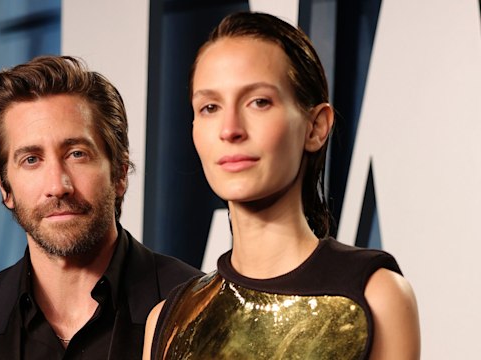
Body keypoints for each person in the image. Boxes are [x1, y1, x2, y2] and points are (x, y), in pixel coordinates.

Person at [144, 12, 420, 359]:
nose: (230, 129)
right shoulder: (168, 320)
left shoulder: (376, 295)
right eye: (210, 106)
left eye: (259, 102)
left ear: (316, 126)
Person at [0, 55, 201, 359]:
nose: (57, 186)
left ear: (119, 172)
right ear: (4, 187)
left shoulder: (197, 308)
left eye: (77, 154)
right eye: (31, 160)